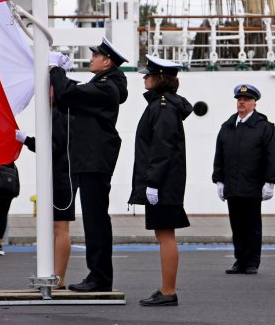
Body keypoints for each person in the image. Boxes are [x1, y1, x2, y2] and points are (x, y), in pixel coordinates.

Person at [47, 38, 129, 293]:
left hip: (95, 160)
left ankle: (100, 278)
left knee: (96, 221)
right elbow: (70, 97)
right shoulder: (104, 85)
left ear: (107, 62)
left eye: (95, 56)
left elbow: (68, 94)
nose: (91, 59)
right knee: (95, 220)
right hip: (90, 159)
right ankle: (98, 275)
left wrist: (56, 70)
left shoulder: (107, 88)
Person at [130, 55, 193, 306]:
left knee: (166, 236)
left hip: (164, 183)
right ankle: (166, 289)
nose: (145, 77)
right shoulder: (160, 105)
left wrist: (153, 182)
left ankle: (168, 291)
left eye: (149, 74)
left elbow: (162, 148)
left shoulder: (163, 106)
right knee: (163, 234)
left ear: (160, 79)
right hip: (165, 181)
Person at [212, 83, 275, 274]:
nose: (241, 102)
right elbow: (220, 154)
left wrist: (270, 181)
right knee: (237, 224)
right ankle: (239, 260)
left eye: (246, 100)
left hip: (252, 184)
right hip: (232, 184)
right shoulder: (227, 126)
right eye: (239, 100)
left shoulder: (264, 127)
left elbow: (271, 155)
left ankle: (252, 261)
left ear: (254, 103)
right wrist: (219, 180)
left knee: (251, 225)